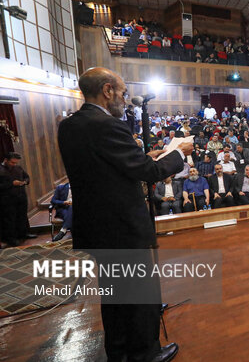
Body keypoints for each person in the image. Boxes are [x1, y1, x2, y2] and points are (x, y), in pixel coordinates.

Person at [58, 67, 193, 362]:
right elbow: (149, 174)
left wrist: (150, 154)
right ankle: (145, 354)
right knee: (139, 296)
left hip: (95, 226)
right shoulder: (107, 125)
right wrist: (179, 152)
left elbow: (108, 167)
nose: (124, 98)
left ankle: (118, 352)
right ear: (107, 90)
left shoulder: (70, 125)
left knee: (115, 297)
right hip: (121, 228)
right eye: (121, 92)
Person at [0, 152, 35, 246]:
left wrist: (25, 181)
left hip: (21, 197)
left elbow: (26, 176)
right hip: (7, 199)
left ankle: (24, 234)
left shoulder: (18, 168)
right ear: (6, 160)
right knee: (10, 219)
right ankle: (11, 239)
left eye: (16, 163)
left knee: (22, 216)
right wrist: (12, 184)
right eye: (12, 162)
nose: (14, 164)